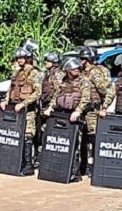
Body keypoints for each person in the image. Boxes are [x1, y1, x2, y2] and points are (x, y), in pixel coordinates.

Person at [44, 57, 92, 182]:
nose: (76, 70)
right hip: (62, 113)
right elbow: (56, 95)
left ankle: (75, 173)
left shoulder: (84, 81)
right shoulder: (64, 81)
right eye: (73, 69)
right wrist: (50, 108)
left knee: (76, 143)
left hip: (76, 115)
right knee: (61, 142)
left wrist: (78, 111)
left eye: (77, 68)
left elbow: (86, 98)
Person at [0, 47, 43, 176]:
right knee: (15, 136)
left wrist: (23, 104)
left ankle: (28, 166)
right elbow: (11, 88)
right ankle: (18, 163)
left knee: (27, 136)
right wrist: (5, 100)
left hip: (28, 110)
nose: (20, 60)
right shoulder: (17, 72)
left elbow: (37, 92)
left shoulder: (35, 73)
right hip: (15, 109)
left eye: (22, 58)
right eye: (18, 58)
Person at [77, 47, 115, 177]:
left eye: (82, 58)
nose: (80, 61)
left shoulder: (95, 72)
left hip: (93, 110)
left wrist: (104, 106)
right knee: (82, 140)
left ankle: (96, 166)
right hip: (82, 110)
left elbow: (105, 90)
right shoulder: (81, 72)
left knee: (95, 139)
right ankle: (83, 167)